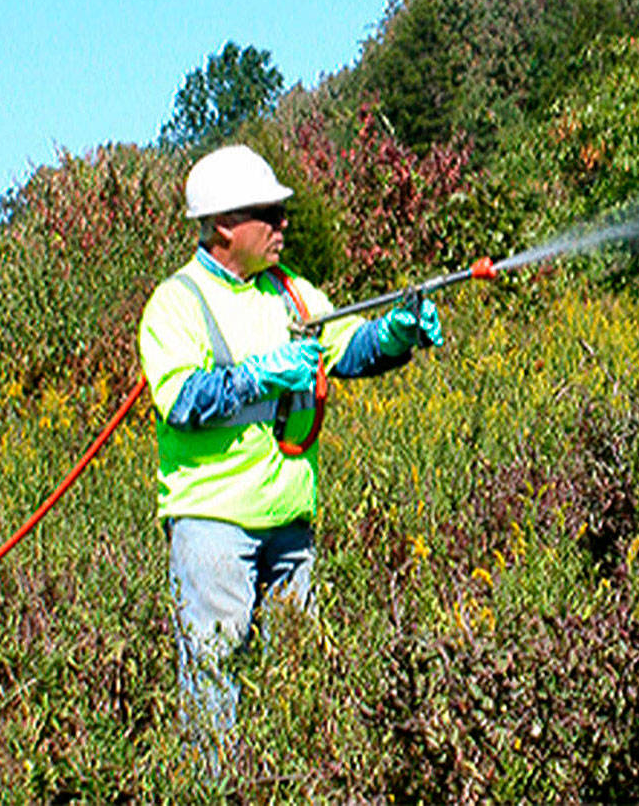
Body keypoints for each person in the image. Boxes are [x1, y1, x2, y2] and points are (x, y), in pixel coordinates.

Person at [138, 144, 442, 760]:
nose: (284, 226)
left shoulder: (294, 293)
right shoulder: (178, 303)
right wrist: (262, 376)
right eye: (269, 215)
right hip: (215, 526)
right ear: (225, 224)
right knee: (216, 682)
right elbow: (182, 401)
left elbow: (348, 351)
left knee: (295, 680)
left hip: (290, 526)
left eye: (284, 214)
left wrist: (394, 334)